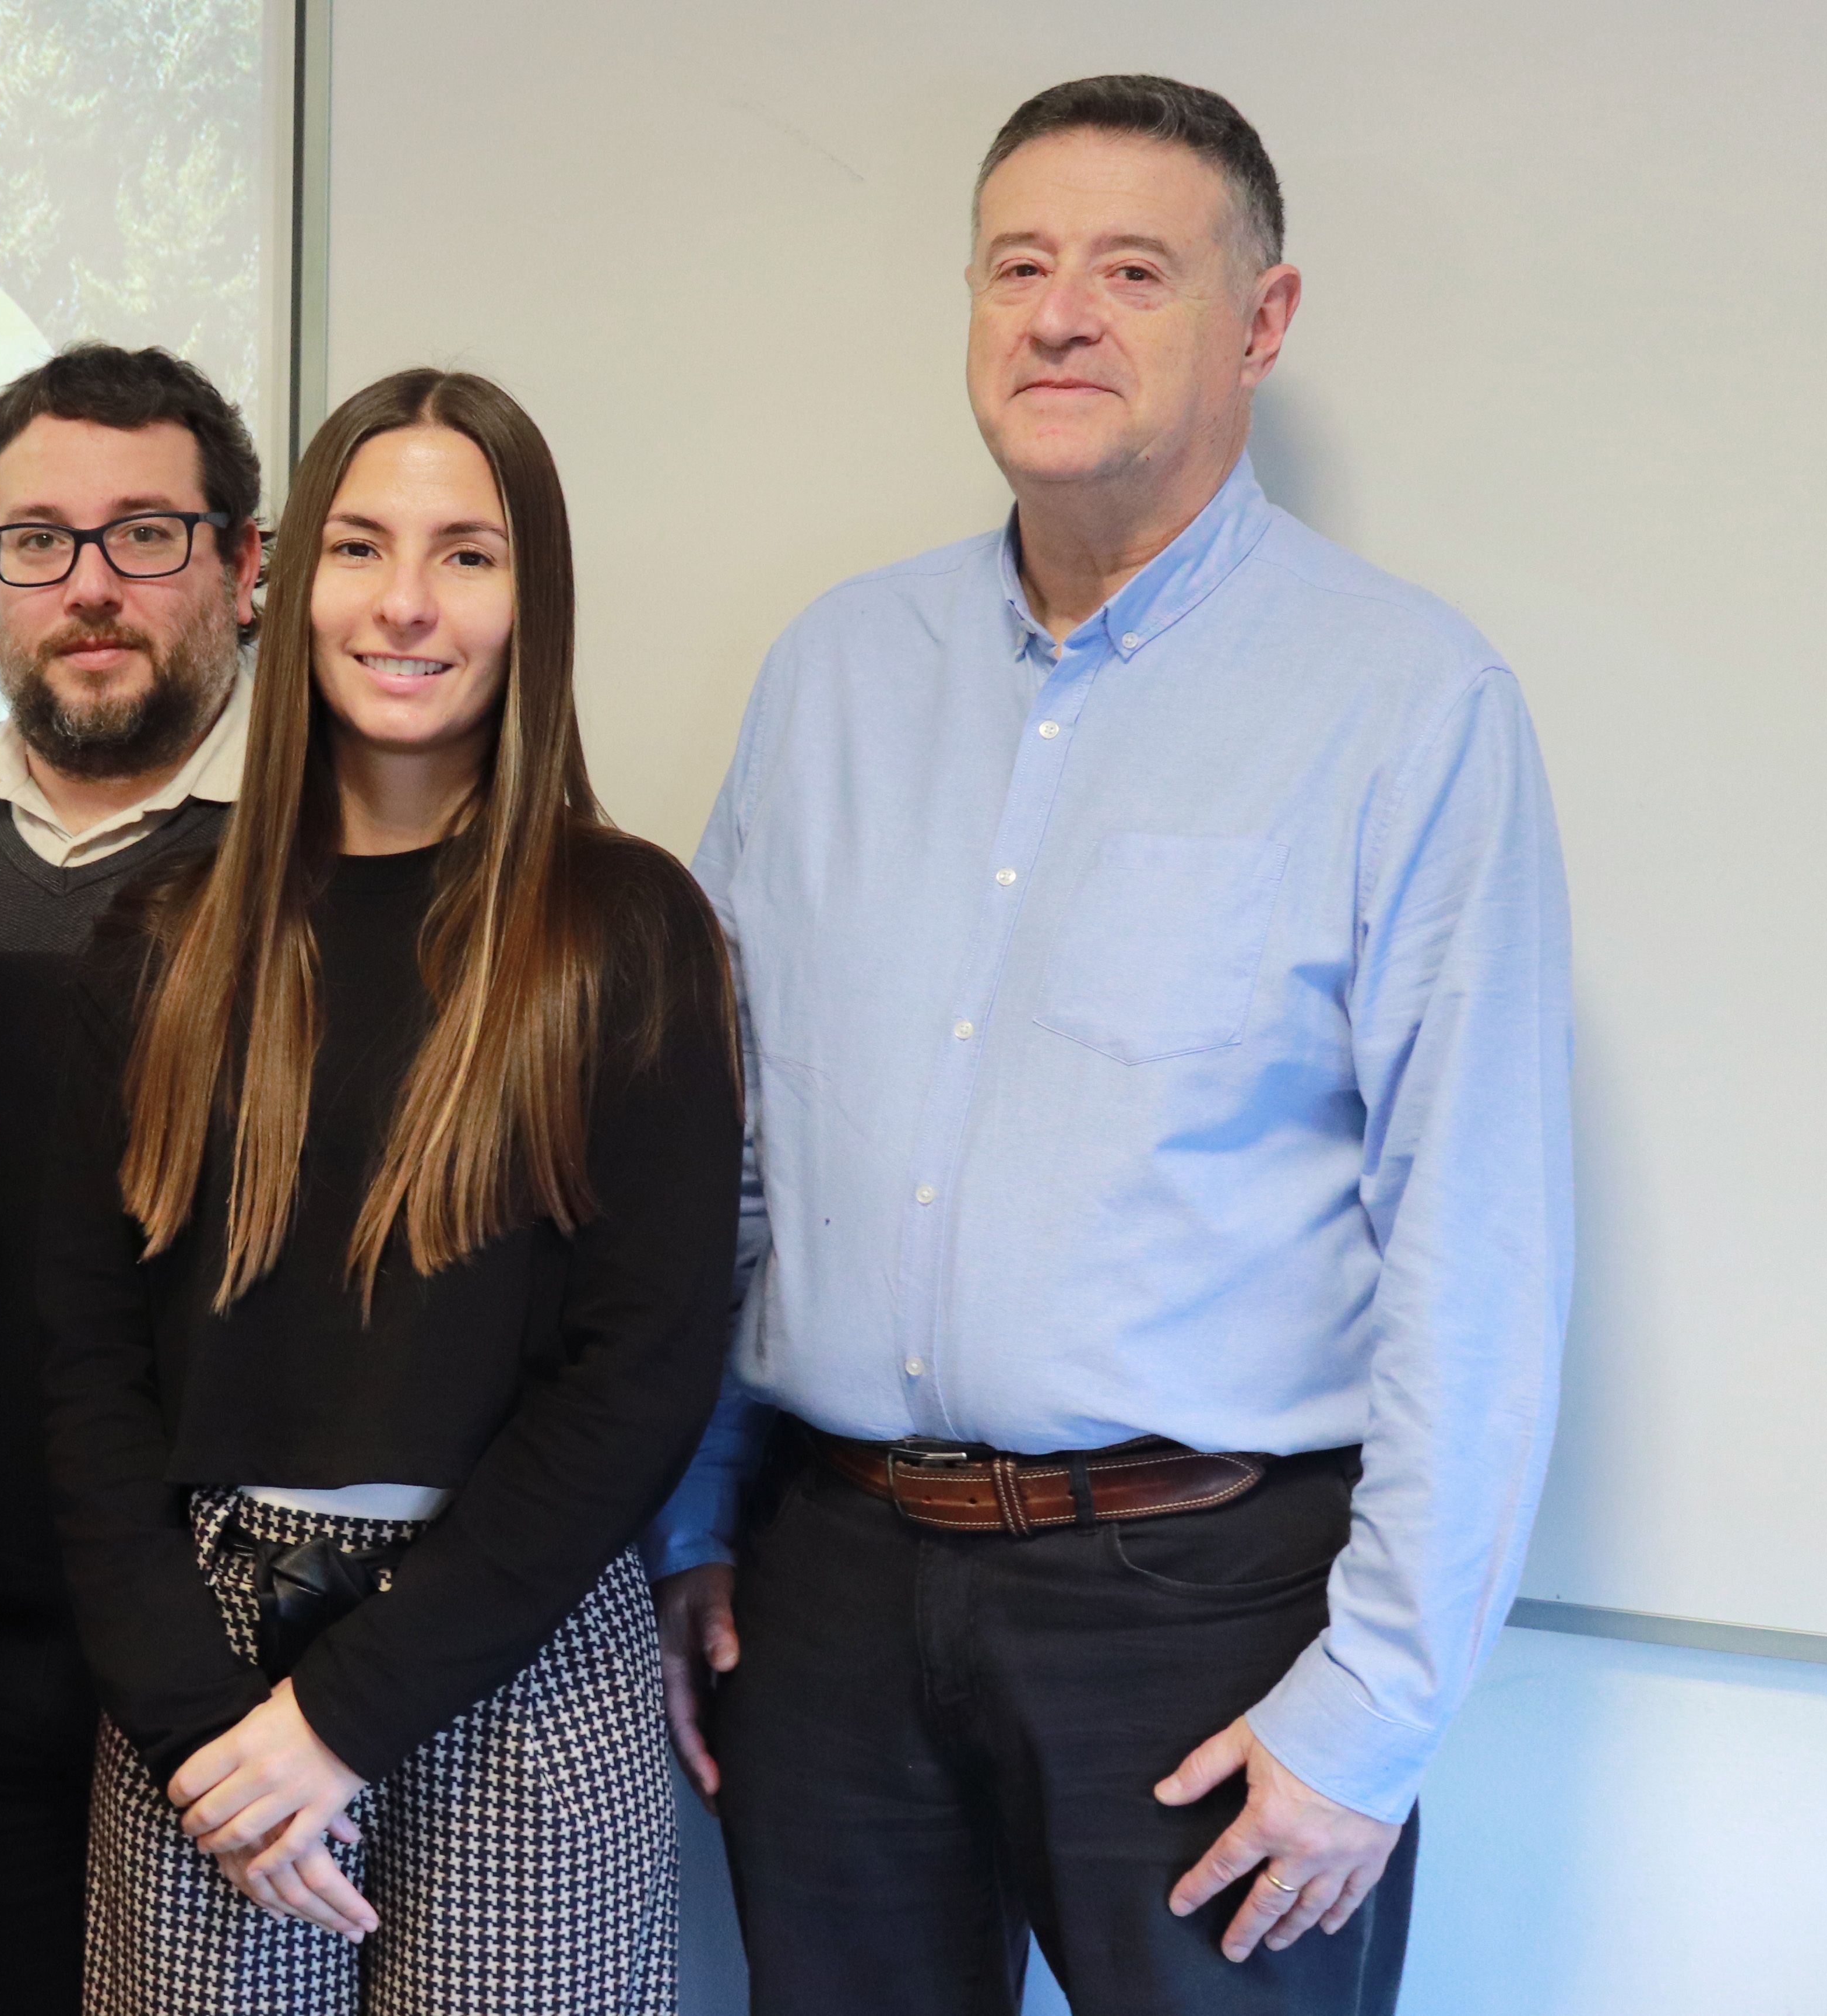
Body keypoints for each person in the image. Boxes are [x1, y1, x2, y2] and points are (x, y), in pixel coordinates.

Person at [646, 75, 1573, 2016]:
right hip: (823, 1580)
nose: (1057, 314)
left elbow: (1471, 1237)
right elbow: (733, 1151)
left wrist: (1373, 1710)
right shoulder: (833, 670)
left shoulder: (1403, 702)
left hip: (1205, 1608)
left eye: (1130, 269)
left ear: (1262, 321)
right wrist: (690, 1526)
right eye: (1017, 265)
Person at [42, 368, 741, 2014]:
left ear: (532, 598)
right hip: (199, 1683)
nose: (406, 603)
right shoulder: (163, 937)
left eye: (467, 554)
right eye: (360, 547)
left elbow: (638, 1371)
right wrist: (207, 1721)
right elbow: (83, 1373)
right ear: (283, 582)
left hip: (516, 1653)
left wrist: (341, 1718)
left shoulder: (623, 929)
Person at [0, 341, 265, 2016]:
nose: (88, 587)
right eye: (37, 543)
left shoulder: (333, 847)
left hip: (230, 1643)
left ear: (245, 566)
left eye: (145, 535)